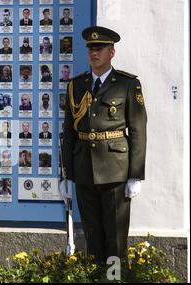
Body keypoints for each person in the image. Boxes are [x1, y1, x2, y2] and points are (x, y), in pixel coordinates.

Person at [60, 26, 147, 263]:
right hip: (84, 167)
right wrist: (66, 174)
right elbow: (68, 133)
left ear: (112, 52)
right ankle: (96, 278)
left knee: (115, 238)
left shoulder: (127, 84)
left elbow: (138, 130)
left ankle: (114, 278)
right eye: (91, 49)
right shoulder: (76, 85)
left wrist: (135, 175)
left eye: (99, 49)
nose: (94, 53)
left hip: (116, 170)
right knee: (92, 234)